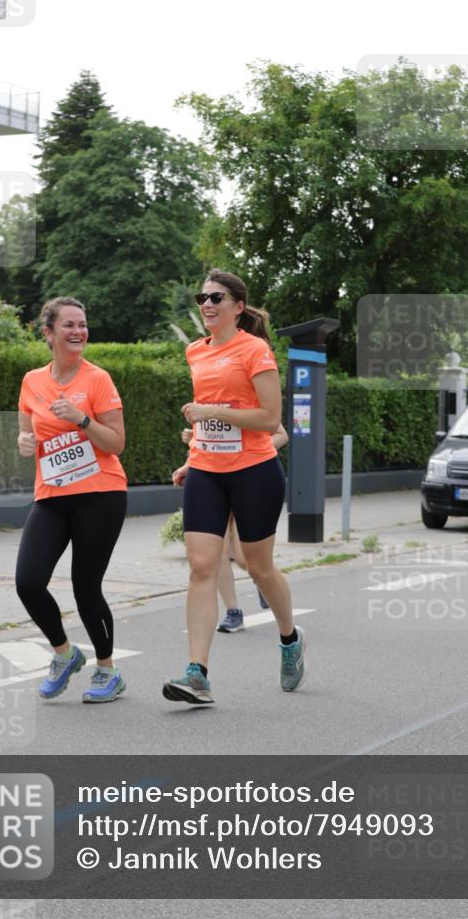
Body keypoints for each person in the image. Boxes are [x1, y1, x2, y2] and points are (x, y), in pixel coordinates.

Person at [164, 269, 306, 705]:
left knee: (259, 567)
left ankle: (289, 639)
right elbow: (208, 420)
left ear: (238, 307)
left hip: (254, 470)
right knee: (202, 565)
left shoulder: (255, 349)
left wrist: (213, 412)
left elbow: (268, 419)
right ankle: (197, 673)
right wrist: (194, 453)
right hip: (207, 469)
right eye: (202, 297)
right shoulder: (195, 352)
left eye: (217, 297)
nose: (207, 304)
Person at [15, 297, 128, 703]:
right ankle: (65, 653)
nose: (79, 331)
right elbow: (27, 434)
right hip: (52, 494)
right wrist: (25, 442)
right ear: (48, 333)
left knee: (85, 586)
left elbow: (116, 443)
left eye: (83, 324)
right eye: (69, 325)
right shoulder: (32, 381)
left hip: (101, 493)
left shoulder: (98, 379)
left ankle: (107, 670)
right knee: (27, 581)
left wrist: (81, 419)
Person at [180, 425, 289, 631]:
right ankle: (233, 612)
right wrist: (192, 437)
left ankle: (262, 580)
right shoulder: (203, 401)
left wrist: (246, 451)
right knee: (214, 555)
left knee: (244, 558)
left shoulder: (250, 399)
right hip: (212, 479)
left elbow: (281, 435)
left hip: (245, 478)